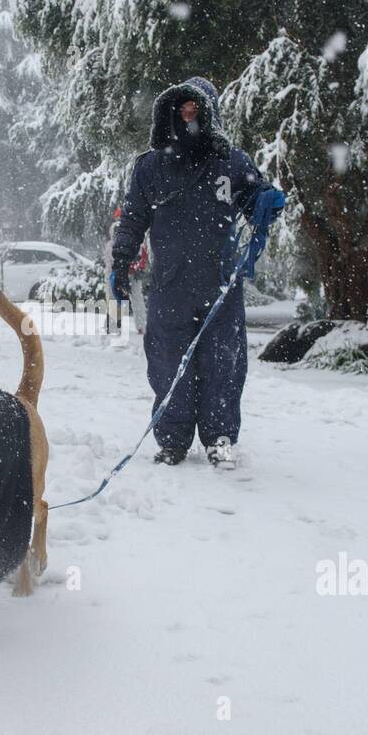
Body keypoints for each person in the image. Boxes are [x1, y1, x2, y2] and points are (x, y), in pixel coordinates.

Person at [111, 76, 284, 468]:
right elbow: (132, 219)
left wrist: (267, 200)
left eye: (196, 109)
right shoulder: (150, 167)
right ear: (170, 113)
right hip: (169, 285)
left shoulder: (232, 162)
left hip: (220, 286)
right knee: (167, 361)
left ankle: (220, 438)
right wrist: (121, 261)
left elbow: (255, 197)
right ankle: (172, 440)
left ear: (210, 113)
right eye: (182, 108)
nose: (189, 115)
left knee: (223, 363)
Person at [103, 207, 148, 334]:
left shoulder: (116, 237)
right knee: (134, 298)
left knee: (116, 298)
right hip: (130, 271)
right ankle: (139, 326)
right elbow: (143, 253)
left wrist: (115, 270)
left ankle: (114, 324)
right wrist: (139, 267)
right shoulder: (136, 233)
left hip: (121, 271)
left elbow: (111, 257)